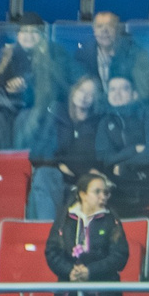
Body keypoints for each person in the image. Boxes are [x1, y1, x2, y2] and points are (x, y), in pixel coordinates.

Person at [43, 172, 130, 296]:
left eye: (105, 192)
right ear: (82, 194)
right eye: (97, 192)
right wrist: (70, 271)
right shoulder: (64, 220)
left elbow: (119, 256)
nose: (103, 196)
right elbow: (52, 252)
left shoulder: (111, 221)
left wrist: (90, 271)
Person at [27, 76, 108, 223]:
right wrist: (59, 165)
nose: (84, 96)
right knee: (43, 176)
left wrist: (68, 166)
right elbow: (38, 153)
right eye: (81, 90)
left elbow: (94, 159)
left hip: (81, 179)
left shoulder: (97, 124)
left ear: (95, 99)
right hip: (55, 174)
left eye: (90, 94)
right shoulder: (56, 115)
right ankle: (46, 232)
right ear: (74, 91)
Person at [97, 76, 149, 209]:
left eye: (124, 89)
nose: (117, 94)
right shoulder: (105, 122)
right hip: (119, 193)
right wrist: (133, 150)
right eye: (113, 89)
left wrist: (124, 165)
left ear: (135, 94)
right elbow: (105, 158)